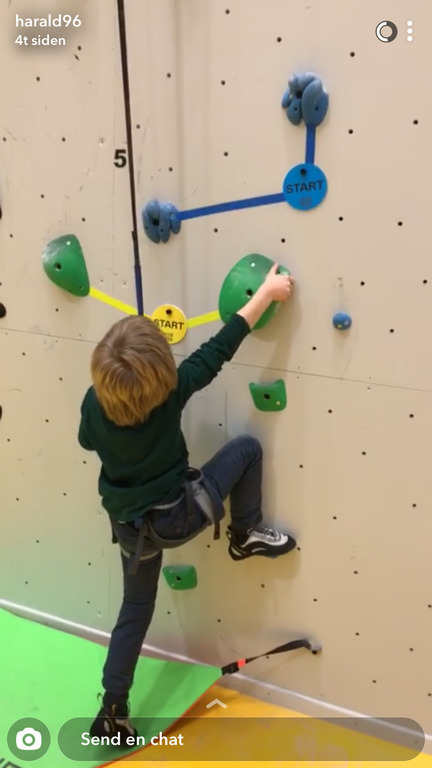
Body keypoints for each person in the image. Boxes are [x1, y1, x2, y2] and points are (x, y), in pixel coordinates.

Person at [78, 263, 296, 744]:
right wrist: (266, 293)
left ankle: (112, 710)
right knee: (247, 448)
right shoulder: (171, 392)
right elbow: (220, 347)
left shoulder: (94, 404)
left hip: (131, 529)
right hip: (177, 518)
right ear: (161, 374)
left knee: (135, 611)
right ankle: (245, 533)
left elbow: (86, 441)